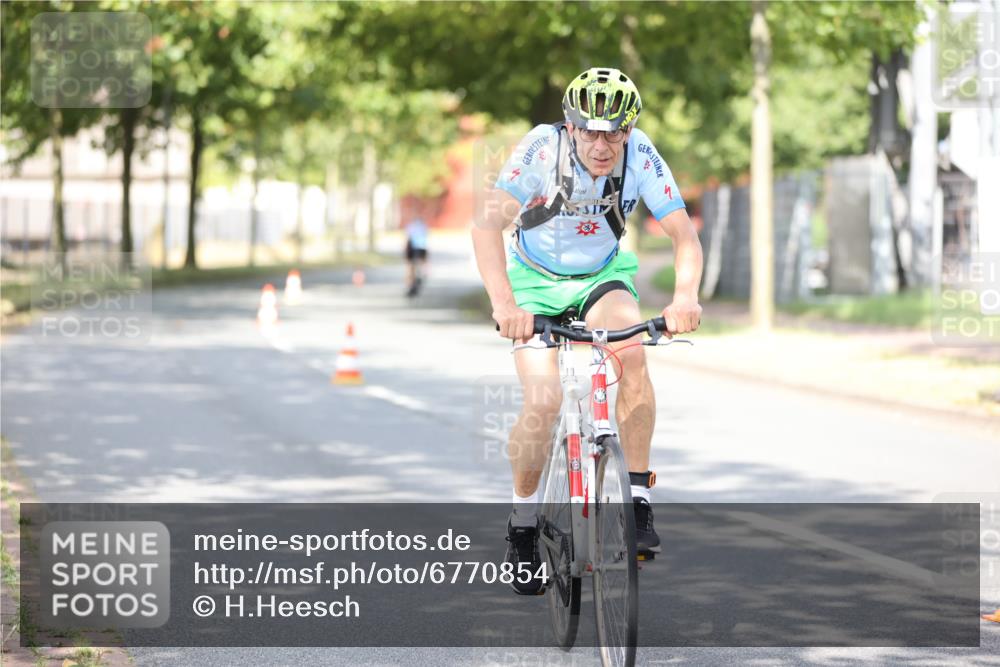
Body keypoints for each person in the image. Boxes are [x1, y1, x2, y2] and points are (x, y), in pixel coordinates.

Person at [471, 67, 703, 594]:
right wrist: (505, 303)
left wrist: (685, 296)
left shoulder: (640, 154)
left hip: (601, 276)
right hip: (533, 281)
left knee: (633, 353)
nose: (602, 145)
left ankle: (638, 501)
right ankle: (524, 525)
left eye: (613, 132)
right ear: (570, 126)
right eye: (590, 131)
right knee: (544, 398)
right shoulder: (540, 149)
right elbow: (486, 225)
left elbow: (684, 236)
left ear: (628, 130)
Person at [404, 217, 429, 297]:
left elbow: (407, 238)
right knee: (420, 264)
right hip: (421, 248)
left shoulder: (411, 226)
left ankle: (411, 283)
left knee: (410, 267)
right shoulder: (423, 226)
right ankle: (421, 275)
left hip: (413, 247)